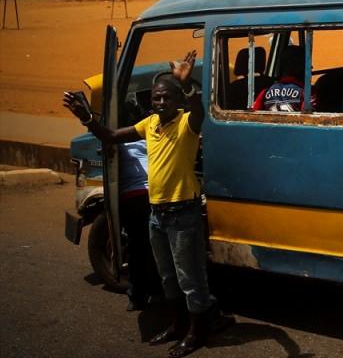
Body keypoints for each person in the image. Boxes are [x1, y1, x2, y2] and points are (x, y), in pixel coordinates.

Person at [63, 51, 232, 358]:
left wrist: (187, 83)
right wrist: (86, 117)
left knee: (188, 278)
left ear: (177, 99)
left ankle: (196, 333)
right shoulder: (150, 124)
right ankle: (177, 325)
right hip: (157, 213)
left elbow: (198, 110)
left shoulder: (186, 124)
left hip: (183, 212)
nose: (160, 103)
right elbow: (112, 135)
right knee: (167, 276)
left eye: (166, 98)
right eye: (156, 98)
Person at [117, 138, 162, 311]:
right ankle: (139, 293)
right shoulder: (121, 142)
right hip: (138, 197)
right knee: (141, 246)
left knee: (142, 247)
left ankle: (141, 293)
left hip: (151, 195)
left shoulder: (148, 138)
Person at [252, 45, 309, 111]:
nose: (311, 67)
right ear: (300, 66)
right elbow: (309, 118)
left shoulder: (265, 92)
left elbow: (254, 114)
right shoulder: (306, 92)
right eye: (307, 63)